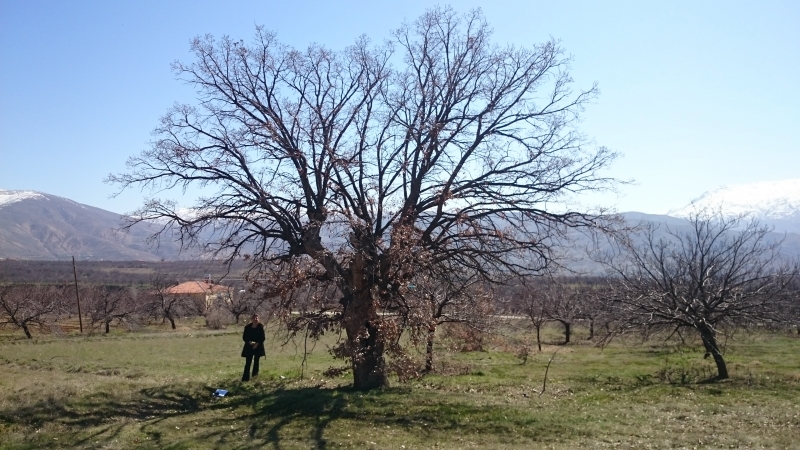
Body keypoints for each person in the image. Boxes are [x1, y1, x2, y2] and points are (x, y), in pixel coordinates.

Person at [241, 314, 265, 381]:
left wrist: (257, 344)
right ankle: (245, 378)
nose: (255, 319)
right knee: (248, 362)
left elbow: (263, 337)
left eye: (257, 318)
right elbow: (244, 337)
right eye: (254, 318)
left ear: (258, 319)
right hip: (249, 347)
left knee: (256, 362)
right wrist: (249, 342)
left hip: (258, 346)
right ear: (251, 319)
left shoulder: (260, 327)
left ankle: (255, 376)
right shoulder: (247, 327)